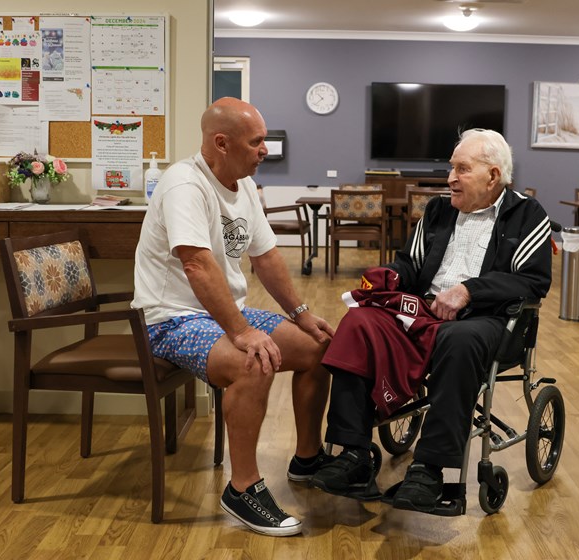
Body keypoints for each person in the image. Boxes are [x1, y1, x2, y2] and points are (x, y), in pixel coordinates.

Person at [311, 128, 553, 512]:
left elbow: (533, 280)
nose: (450, 178)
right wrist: (389, 274)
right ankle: (353, 453)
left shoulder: (527, 214)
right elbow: (411, 263)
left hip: (488, 319)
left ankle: (432, 470)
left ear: (493, 175)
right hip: (423, 311)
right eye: (451, 168)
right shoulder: (439, 211)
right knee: (358, 323)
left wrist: (469, 290)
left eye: (462, 169)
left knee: (458, 341)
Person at [132, 97, 334, 537]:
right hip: (171, 318)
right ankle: (242, 488)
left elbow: (265, 257)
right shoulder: (185, 185)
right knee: (253, 363)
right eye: (256, 141)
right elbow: (196, 266)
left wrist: (300, 314)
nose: (265, 149)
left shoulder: (242, 183)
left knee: (319, 347)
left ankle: (307, 458)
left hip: (225, 311)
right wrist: (242, 333)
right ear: (221, 143)